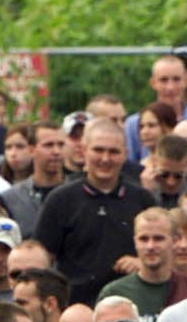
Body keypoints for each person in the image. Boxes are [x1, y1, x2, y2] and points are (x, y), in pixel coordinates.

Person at [36, 118, 153, 306]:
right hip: (76, 308)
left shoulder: (142, 199)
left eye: (113, 152)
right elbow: (42, 261)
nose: (105, 159)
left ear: (125, 154)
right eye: (98, 150)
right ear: (83, 151)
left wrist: (142, 263)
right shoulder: (61, 200)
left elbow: (163, 254)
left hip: (131, 307)